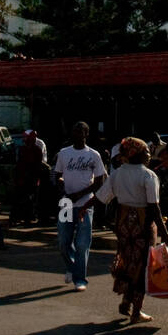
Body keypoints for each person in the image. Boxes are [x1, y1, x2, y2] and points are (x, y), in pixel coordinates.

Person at [91, 136, 168, 323]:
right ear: (135, 154)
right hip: (143, 227)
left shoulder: (117, 173)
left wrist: (109, 223)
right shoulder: (148, 175)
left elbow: (101, 199)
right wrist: (164, 233)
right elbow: (154, 207)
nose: (149, 155)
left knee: (128, 263)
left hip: (123, 225)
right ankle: (136, 311)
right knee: (143, 266)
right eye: (146, 152)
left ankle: (126, 301)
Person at [52, 121, 107, 290]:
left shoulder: (93, 155)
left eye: (80, 132)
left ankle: (80, 279)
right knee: (63, 240)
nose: (77, 135)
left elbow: (100, 180)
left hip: (85, 204)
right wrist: (62, 185)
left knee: (83, 243)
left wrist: (80, 194)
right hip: (66, 203)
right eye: (74, 132)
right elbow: (57, 175)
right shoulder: (63, 153)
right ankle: (72, 265)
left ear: (86, 134)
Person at [11, 130, 46, 226]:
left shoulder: (37, 150)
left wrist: (35, 178)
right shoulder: (22, 149)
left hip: (31, 178)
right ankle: (18, 217)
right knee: (20, 198)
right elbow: (19, 164)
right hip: (22, 177)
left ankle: (28, 218)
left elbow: (38, 165)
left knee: (30, 199)